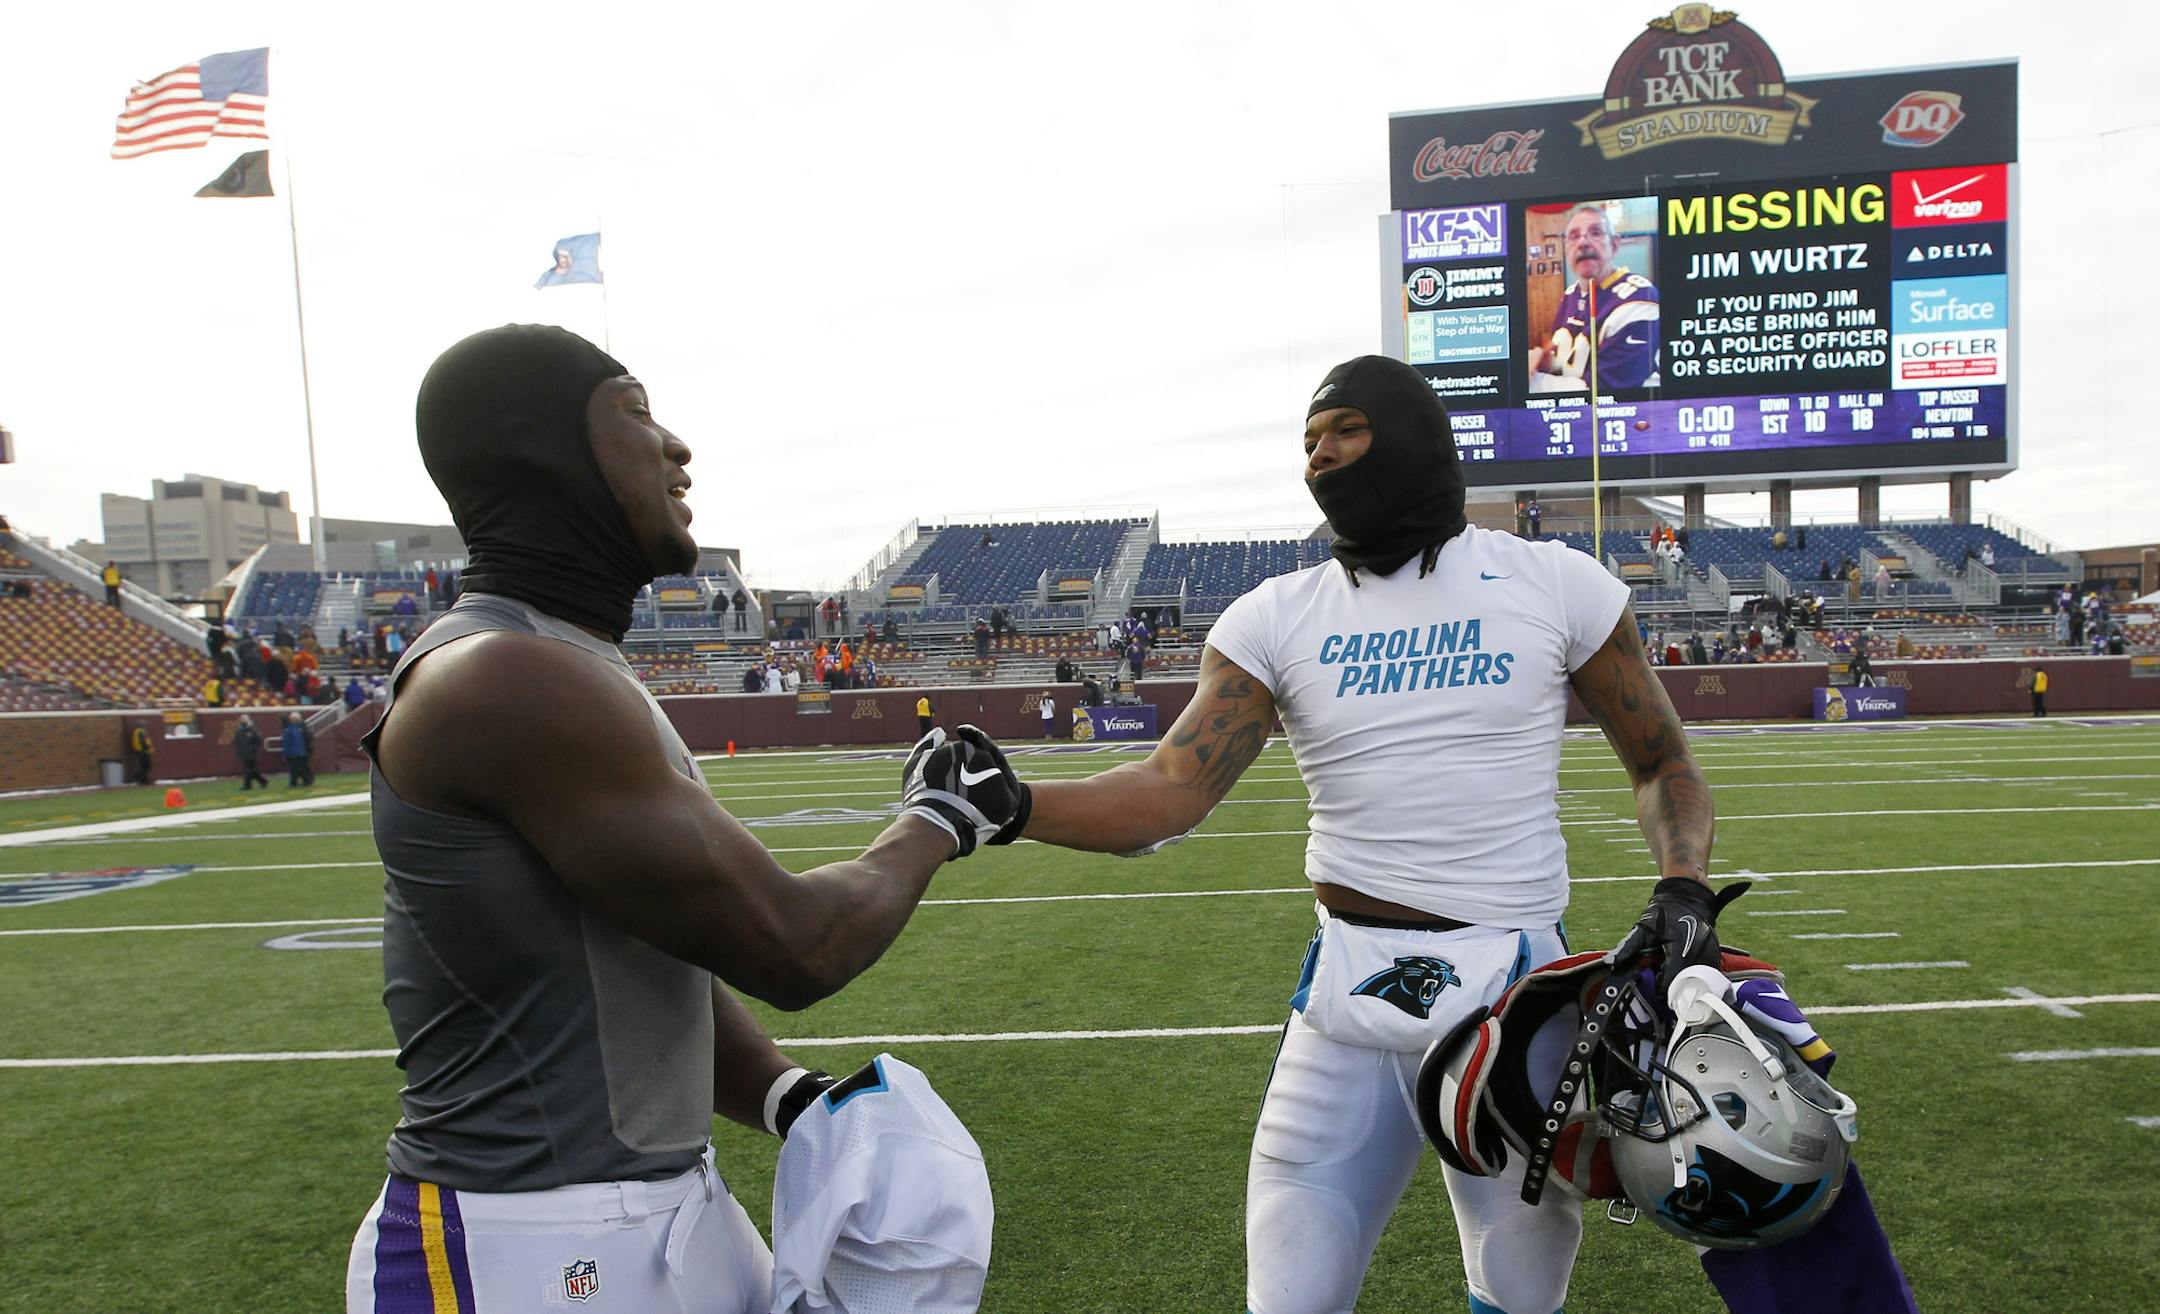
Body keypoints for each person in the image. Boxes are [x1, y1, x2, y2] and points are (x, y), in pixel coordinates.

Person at [994, 356, 1720, 1314]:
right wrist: (1009, 803)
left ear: (1412, 435)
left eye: (1344, 431)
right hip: (1342, 990)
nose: (1320, 457)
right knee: (1288, 1294)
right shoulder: (1277, 613)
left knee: (1515, 1297)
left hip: (1509, 992)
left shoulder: (1554, 584)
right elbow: (1169, 790)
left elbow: (1662, 763)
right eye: (1307, 442)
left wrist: (1682, 888)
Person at [344, 324, 1026, 1314]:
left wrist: (786, 1096)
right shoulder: (511, 676)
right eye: (635, 412)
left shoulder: (559, 659)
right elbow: (794, 946)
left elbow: (636, 959)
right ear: (544, 452)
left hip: (647, 1210)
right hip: (523, 1244)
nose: (676, 447)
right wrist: (937, 818)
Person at [1527, 203, 1659, 390]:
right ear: (1566, 249)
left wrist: (1528, 383)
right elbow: (1566, 362)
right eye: (1573, 236)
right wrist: (1541, 358)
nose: (1583, 242)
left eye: (1596, 233)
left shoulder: (1640, 299)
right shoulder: (1571, 294)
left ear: (1614, 245)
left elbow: (1606, 391)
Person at [233, 716, 270, 791]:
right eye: (241, 719)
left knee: (248, 770)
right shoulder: (239, 731)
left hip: (252, 754)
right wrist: (238, 752)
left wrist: (253, 749)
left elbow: (259, 741)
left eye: (244, 719)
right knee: (251, 771)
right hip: (243, 754)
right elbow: (236, 742)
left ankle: (247, 786)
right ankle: (263, 781)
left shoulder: (253, 730)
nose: (242, 721)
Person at [281, 711, 315, 787]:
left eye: (292, 718)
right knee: (298, 768)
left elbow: (307, 738)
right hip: (297, 750)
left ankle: (303, 781)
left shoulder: (302, 727)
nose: (291, 719)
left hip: (303, 750)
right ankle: (307, 780)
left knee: (299, 767)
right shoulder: (291, 727)